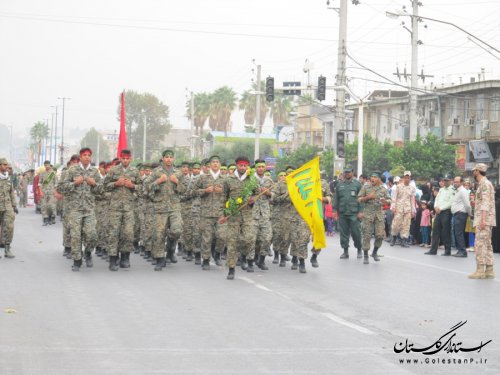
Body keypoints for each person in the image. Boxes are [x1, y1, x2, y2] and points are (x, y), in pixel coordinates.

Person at [61, 148, 101, 271]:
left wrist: (94, 184)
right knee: (75, 236)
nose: (87, 157)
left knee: (92, 235)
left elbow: (102, 190)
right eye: (84, 155)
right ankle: (77, 260)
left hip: (89, 209)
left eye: (89, 155)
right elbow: (60, 187)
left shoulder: (94, 172)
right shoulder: (72, 170)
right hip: (75, 209)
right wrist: (74, 184)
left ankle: (88, 252)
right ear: (80, 156)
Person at [219, 156, 259, 280]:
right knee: (232, 242)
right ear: (236, 165)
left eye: (245, 166)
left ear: (247, 166)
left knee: (249, 238)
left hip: (247, 215)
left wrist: (253, 200)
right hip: (233, 216)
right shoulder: (228, 180)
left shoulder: (251, 179)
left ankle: (242, 255)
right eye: (241, 165)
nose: (243, 168)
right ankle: (231, 269)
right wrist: (223, 214)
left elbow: (257, 193)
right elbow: (223, 197)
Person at [145, 149, 185, 271]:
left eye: (171, 157)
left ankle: (170, 249)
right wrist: (158, 181)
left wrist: (177, 182)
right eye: (166, 157)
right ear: (162, 158)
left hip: (174, 207)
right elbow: (146, 186)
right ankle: (159, 259)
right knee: (159, 234)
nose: (168, 159)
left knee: (177, 230)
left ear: (173, 159)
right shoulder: (156, 172)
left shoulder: (179, 173)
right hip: (160, 208)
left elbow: (185, 190)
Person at [103, 149, 140, 271]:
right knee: (114, 232)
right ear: (120, 158)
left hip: (129, 208)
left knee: (128, 233)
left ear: (130, 159)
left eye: (127, 158)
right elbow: (104, 186)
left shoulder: (135, 171)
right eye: (123, 158)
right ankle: (113, 258)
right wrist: (115, 184)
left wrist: (133, 186)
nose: (125, 160)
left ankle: (125, 257)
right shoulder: (114, 170)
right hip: (115, 207)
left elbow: (144, 188)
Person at [194, 155, 227, 270]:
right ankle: (206, 259)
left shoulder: (225, 179)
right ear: (210, 165)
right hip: (206, 213)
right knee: (207, 238)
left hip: (221, 213)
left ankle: (217, 253)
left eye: (217, 162)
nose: (215, 164)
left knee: (222, 236)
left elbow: (230, 195)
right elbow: (193, 192)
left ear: (220, 165)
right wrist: (204, 191)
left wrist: (222, 191)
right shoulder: (202, 178)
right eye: (213, 162)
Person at [468, 163, 496, 279]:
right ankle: (489, 270)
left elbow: (485, 202)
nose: (473, 172)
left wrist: (483, 219)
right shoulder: (485, 183)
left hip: (483, 219)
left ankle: (480, 270)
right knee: (487, 244)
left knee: (480, 244)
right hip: (486, 218)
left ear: (477, 171)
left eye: (474, 170)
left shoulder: (484, 184)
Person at [358, 172, 391, 263]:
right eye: (371, 177)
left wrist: (385, 201)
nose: (372, 179)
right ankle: (365, 255)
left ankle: (375, 252)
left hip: (379, 215)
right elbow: (359, 199)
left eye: (375, 177)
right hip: (368, 214)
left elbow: (390, 200)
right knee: (366, 235)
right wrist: (368, 197)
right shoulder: (366, 187)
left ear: (379, 179)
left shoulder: (383, 189)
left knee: (380, 235)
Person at [333, 166, 362, 259]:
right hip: (342, 213)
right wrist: (334, 211)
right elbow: (336, 199)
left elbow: (361, 199)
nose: (347, 174)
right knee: (343, 233)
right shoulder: (339, 185)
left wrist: (361, 211)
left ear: (352, 173)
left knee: (356, 232)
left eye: (349, 172)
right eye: (345, 172)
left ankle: (359, 249)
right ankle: (345, 251)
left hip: (354, 213)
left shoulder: (357, 185)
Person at [425, 175, 454, 256]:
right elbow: (437, 199)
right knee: (435, 231)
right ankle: (433, 250)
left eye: (447, 180)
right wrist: (436, 207)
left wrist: (440, 208)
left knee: (446, 232)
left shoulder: (452, 190)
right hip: (438, 212)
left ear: (450, 181)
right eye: (444, 180)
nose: (445, 182)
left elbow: (451, 202)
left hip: (446, 212)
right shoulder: (441, 190)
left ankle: (447, 251)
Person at [390, 171, 416, 248]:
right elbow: (394, 198)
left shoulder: (412, 188)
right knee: (396, 224)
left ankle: (403, 240)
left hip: (408, 208)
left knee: (406, 225)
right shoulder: (398, 187)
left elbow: (412, 200)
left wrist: (413, 210)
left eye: (408, 178)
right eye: (405, 177)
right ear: (403, 178)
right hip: (399, 208)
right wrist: (393, 207)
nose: (407, 179)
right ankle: (394, 237)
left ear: (410, 178)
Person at [0, 157, 17, 259]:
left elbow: (12, 193)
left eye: (7, 165)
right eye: (5, 165)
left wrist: (14, 206)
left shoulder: (8, 178)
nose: (7, 167)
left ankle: (7, 249)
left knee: (9, 227)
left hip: (7, 207)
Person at [451, 176, 471, 258]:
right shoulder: (457, 190)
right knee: (457, 232)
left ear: (462, 182)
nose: (455, 183)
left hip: (461, 213)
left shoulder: (463, 191)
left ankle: (463, 251)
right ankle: (460, 250)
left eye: (457, 182)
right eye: (455, 181)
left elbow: (467, 204)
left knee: (459, 232)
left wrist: (469, 213)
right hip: (457, 213)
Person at [38, 160, 58, 225]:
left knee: (52, 205)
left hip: (52, 192)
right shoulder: (42, 174)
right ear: (44, 166)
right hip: (44, 192)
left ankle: (52, 217)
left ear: (50, 165)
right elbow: (40, 183)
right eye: (45, 165)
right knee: (44, 205)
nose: (47, 166)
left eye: (48, 165)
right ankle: (45, 219)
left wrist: (55, 191)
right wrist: (40, 191)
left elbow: (56, 183)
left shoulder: (53, 173)